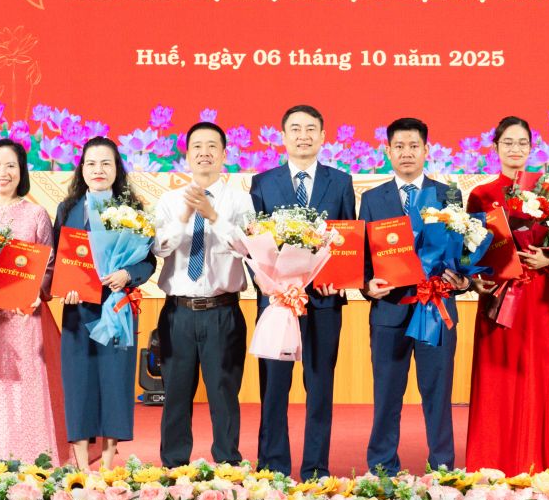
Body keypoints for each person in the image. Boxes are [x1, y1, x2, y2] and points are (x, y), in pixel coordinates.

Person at [249, 104, 357, 478]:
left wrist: (339, 279)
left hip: (323, 302)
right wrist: (265, 284)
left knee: (320, 387)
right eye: (295, 128)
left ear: (323, 136)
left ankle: (315, 469)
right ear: (282, 137)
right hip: (277, 303)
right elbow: (253, 241)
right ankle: (272, 467)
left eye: (311, 128)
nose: (303, 135)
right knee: (274, 388)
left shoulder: (340, 182)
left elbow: (346, 240)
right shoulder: (263, 183)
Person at [465, 116, 549, 474]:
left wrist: (548, 258)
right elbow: (470, 250)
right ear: (496, 147)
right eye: (507, 142)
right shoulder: (480, 195)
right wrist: (477, 278)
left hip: (537, 297)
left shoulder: (548, 193)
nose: (515, 149)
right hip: (497, 297)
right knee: (498, 378)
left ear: (531, 148)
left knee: (539, 374)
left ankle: (541, 464)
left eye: (522, 143)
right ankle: (491, 463)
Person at [360, 117, 464, 473]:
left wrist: (462, 279)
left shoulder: (449, 195)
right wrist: (368, 285)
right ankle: (382, 468)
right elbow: (364, 259)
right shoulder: (372, 199)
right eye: (399, 146)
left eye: (414, 146)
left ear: (426, 150)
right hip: (389, 311)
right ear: (387, 151)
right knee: (386, 395)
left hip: (436, 308)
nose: (406, 153)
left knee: (438, 394)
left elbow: (463, 251)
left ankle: (442, 469)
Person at [151, 121, 254, 466]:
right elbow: (160, 248)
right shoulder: (169, 201)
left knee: (224, 392)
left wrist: (213, 217)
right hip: (177, 312)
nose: (204, 153)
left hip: (222, 310)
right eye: (197, 146)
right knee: (175, 393)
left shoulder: (240, 200)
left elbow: (248, 248)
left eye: (212, 146)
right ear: (187, 155)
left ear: (224, 154)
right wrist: (184, 216)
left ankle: (228, 464)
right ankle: (173, 465)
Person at [0, 138, 65, 463]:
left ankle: (33, 461)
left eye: (11, 165)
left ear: (22, 172)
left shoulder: (36, 215)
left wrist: (36, 291)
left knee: (25, 388)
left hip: (22, 317)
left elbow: (50, 266)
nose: (2, 172)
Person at [56, 136, 154, 470]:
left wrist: (128, 274)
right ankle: (83, 466)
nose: (98, 170)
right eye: (91, 163)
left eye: (105, 163)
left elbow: (148, 261)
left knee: (115, 381)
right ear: (81, 169)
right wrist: (64, 286)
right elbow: (58, 257)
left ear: (117, 169)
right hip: (78, 309)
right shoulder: (68, 209)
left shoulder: (132, 210)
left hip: (118, 306)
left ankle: (110, 465)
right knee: (79, 383)